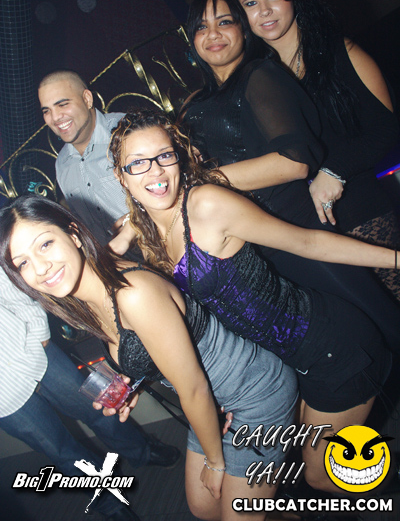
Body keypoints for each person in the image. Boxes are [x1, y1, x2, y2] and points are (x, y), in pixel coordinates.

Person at [109, 109, 396, 492]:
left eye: (164, 156)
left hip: (330, 345)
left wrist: (396, 259)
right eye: (138, 163)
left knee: (321, 474)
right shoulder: (147, 238)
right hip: (286, 365)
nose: (156, 171)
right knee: (304, 467)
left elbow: (308, 242)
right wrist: (137, 379)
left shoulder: (207, 205)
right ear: (121, 175)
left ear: (178, 156)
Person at [0, 196, 299, 521]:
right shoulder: (83, 300)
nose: (40, 268)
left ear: (73, 234)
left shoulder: (133, 294)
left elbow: (194, 388)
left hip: (255, 391)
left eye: (45, 244)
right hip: (216, 399)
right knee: (204, 508)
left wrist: (216, 462)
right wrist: (134, 384)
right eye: (22, 263)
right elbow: (157, 348)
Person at [177, 0, 400, 336]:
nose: (213, 34)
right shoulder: (194, 103)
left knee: (379, 328)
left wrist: (206, 181)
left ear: (243, 29)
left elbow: (294, 162)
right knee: (342, 350)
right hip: (257, 255)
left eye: (225, 22)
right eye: (202, 27)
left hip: (301, 234)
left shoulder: (259, 75)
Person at [228, 0, 400, 300]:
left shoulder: (341, 53)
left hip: (361, 216)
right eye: (251, 3)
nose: (264, 11)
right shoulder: (254, 80)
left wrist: (335, 171)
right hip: (306, 238)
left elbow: (387, 127)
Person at [0, 267, 181, 521]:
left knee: (97, 408)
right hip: (4, 396)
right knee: (60, 450)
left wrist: (40, 333)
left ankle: (141, 451)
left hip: (32, 350)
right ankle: (109, 503)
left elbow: (11, 290)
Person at [38, 70, 129, 247]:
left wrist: (134, 221)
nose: (55, 118)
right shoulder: (62, 163)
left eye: (62, 104)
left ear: (87, 99)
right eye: (47, 111)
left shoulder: (127, 132)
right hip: (112, 261)